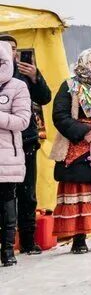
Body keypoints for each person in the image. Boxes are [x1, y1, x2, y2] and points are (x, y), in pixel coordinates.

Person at [49, 48, 91, 254]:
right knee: (80, 190)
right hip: (77, 145)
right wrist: (90, 134)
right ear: (85, 63)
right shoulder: (70, 86)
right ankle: (79, 237)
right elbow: (60, 116)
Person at [0, 34, 53, 256]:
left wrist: (36, 78)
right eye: (7, 48)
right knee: (6, 195)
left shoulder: (24, 74)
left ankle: (29, 240)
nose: (12, 52)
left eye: (14, 48)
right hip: (5, 143)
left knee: (27, 192)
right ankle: (8, 244)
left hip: (26, 140)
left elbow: (45, 98)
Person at [0, 42, 32, 267]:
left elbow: (22, 121)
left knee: (7, 202)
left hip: (7, 157)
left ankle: (8, 249)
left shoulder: (18, 86)